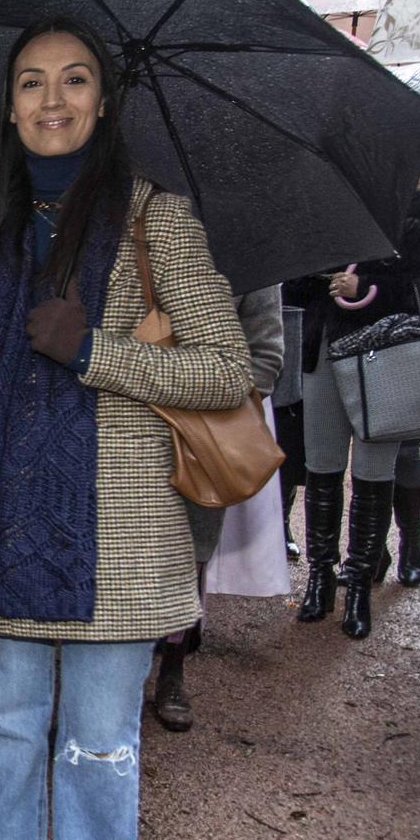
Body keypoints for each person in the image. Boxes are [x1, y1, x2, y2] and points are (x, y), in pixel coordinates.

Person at [0, 18, 251, 840]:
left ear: (102, 103)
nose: (49, 101)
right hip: (1, 532)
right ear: (8, 103)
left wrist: (95, 351)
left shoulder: (158, 222)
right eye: (29, 82)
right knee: (8, 731)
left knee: (98, 747)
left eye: (71, 82)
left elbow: (226, 369)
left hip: (121, 540)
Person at [282, 184, 420, 638]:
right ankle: (320, 577)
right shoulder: (329, 207)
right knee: (321, 468)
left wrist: (370, 287)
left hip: (385, 362)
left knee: (374, 471)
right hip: (323, 354)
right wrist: (319, 276)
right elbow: (290, 282)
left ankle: (361, 584)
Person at [150, 285, 284, 731]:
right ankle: (112, 674)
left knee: (192, 554)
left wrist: (226, 407)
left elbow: (264, 352)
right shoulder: (131, 232)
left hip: (206, 429)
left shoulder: (247, 250)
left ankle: (172, 668)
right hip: (130, 421)